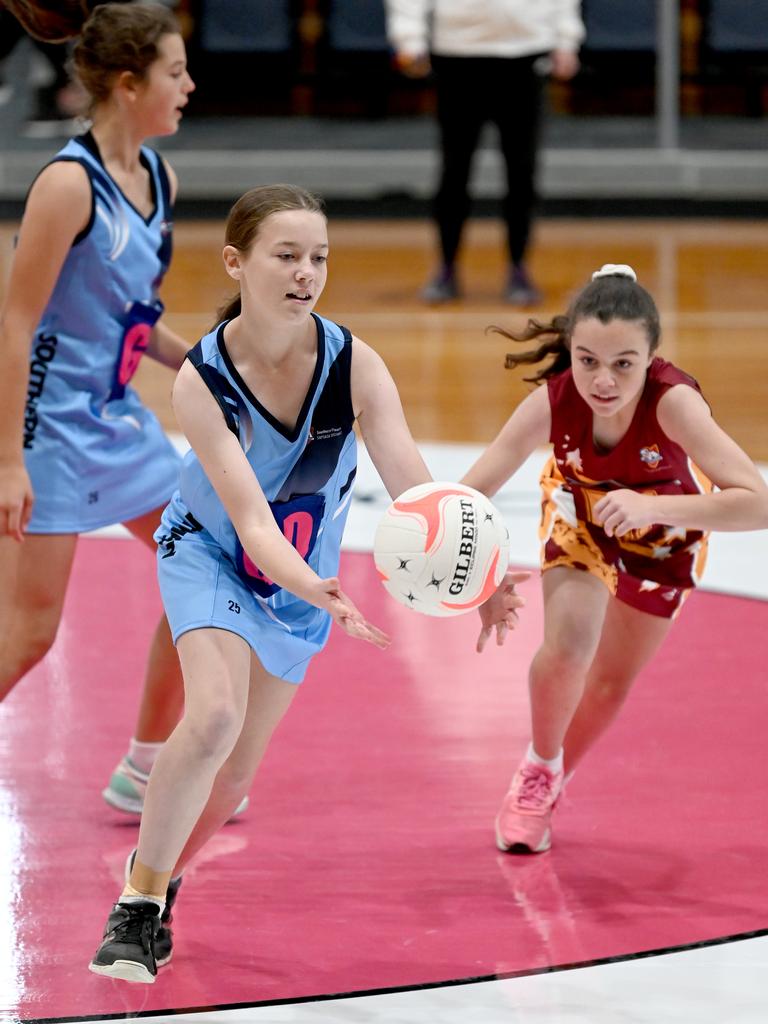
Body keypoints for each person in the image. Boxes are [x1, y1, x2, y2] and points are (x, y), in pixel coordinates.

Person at [88, 182, 527, 983]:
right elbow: (253, 524)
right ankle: (135, 908)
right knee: (214, 715)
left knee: (237, 779)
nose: (305, 273)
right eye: (286, 256)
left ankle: (161, 883)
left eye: (317, 257)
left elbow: (418, 497)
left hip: (298, 583)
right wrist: (321, 588)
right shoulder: (202, 379)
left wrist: (482, 577)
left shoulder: (353, 363)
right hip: (212, 556)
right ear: (237, 262)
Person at [463, 264, 768, 853]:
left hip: (667, 534)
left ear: (652, 356)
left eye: (624, 363)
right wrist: (480, 576)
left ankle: (555, 777)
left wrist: (657, 510)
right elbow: (468, 498)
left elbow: (758, 503)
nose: (603, 380)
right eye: (587, 360)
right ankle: (539, 772)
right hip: (583, 518)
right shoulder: (551, 403)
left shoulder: (675, 403)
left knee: (607, 683)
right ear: (571, 351)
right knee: (568, 648)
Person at [0, 3, 198, 815]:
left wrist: (205, 367)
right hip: (49, 434)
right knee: (29, 637)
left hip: (120, 424)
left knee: (214, 570)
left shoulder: (160, 179)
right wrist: (8, 459)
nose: (188, 86)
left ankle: (147, 768)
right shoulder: (65, 185)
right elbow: (15, 324)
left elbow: (132, 316)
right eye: (175, 72)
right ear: (128, 83)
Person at [385, 0, 584, 305]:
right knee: (455, 171)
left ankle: (519, 269)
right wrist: (409, 39)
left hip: (525, 54)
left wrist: (566, 40)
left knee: (522, 172)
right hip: (457, 56)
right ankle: (446, 269)